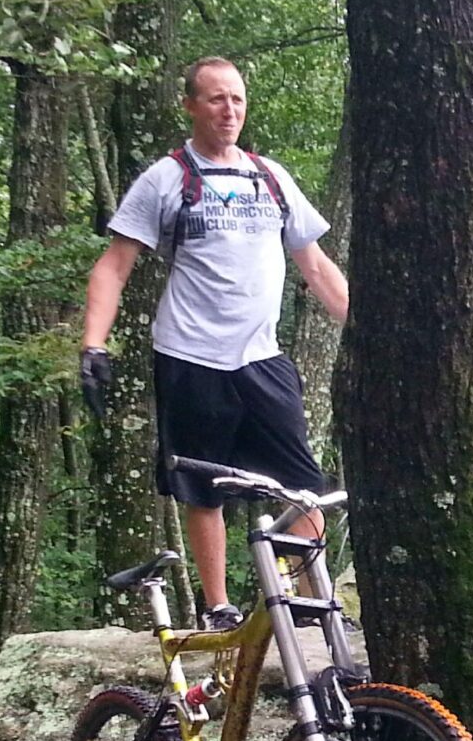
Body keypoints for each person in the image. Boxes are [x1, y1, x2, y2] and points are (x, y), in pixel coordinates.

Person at [79, 58, 346, 628]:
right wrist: (93, 346)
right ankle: (219, 608)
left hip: (262, 357)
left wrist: (371, 335)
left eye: (238, 100)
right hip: (190, 356)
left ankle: (306, 605)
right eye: (216, 100)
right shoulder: (166, 179)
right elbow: (113, 267)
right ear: (192, 106)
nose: (229, 111)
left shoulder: (271, 177)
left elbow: (317, 267)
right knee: (205, 491)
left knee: (305, 490)